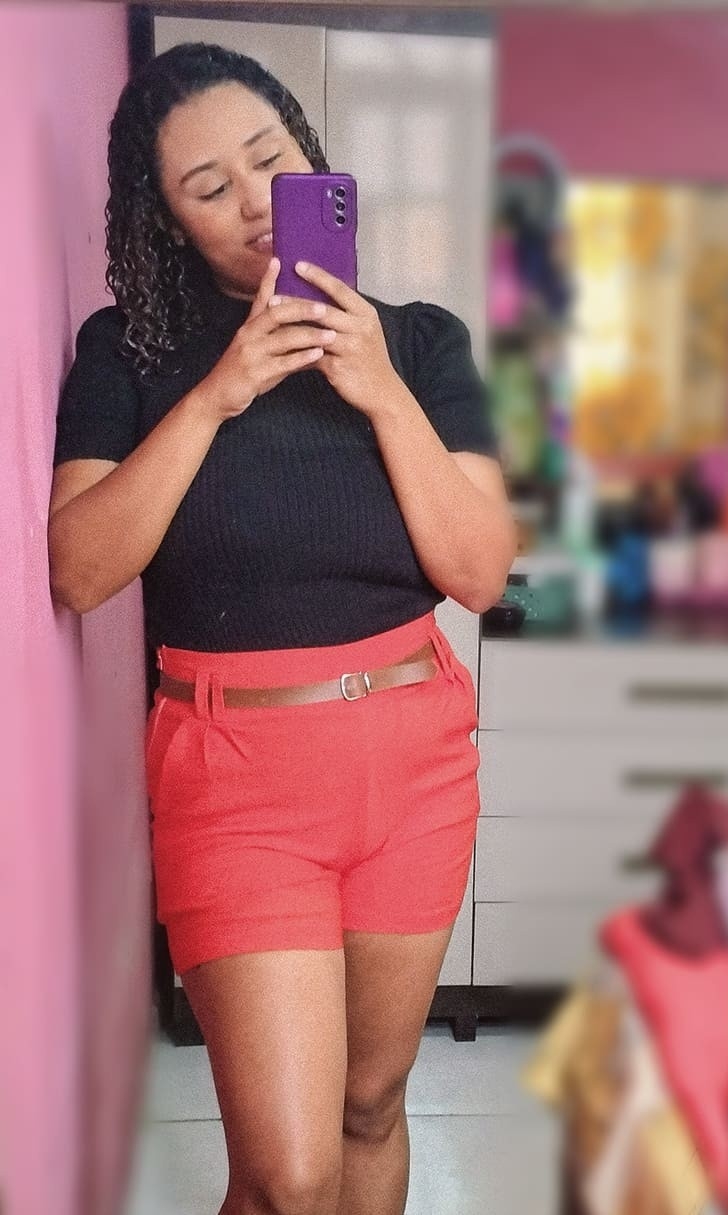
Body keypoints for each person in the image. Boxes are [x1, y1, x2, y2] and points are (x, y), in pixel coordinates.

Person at [48, 42, 516, 1215]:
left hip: (414, 760)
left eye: (271, 161)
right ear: (168, 220)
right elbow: (81, 568)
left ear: (313, 159)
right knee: (289, 1177)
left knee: (372, 1105)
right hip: (234, 777)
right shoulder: (129, 350)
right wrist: (219, 394)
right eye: (210, 188)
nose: (258, 202)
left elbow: (477, 571)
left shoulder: (423, 343)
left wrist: (381, 390)